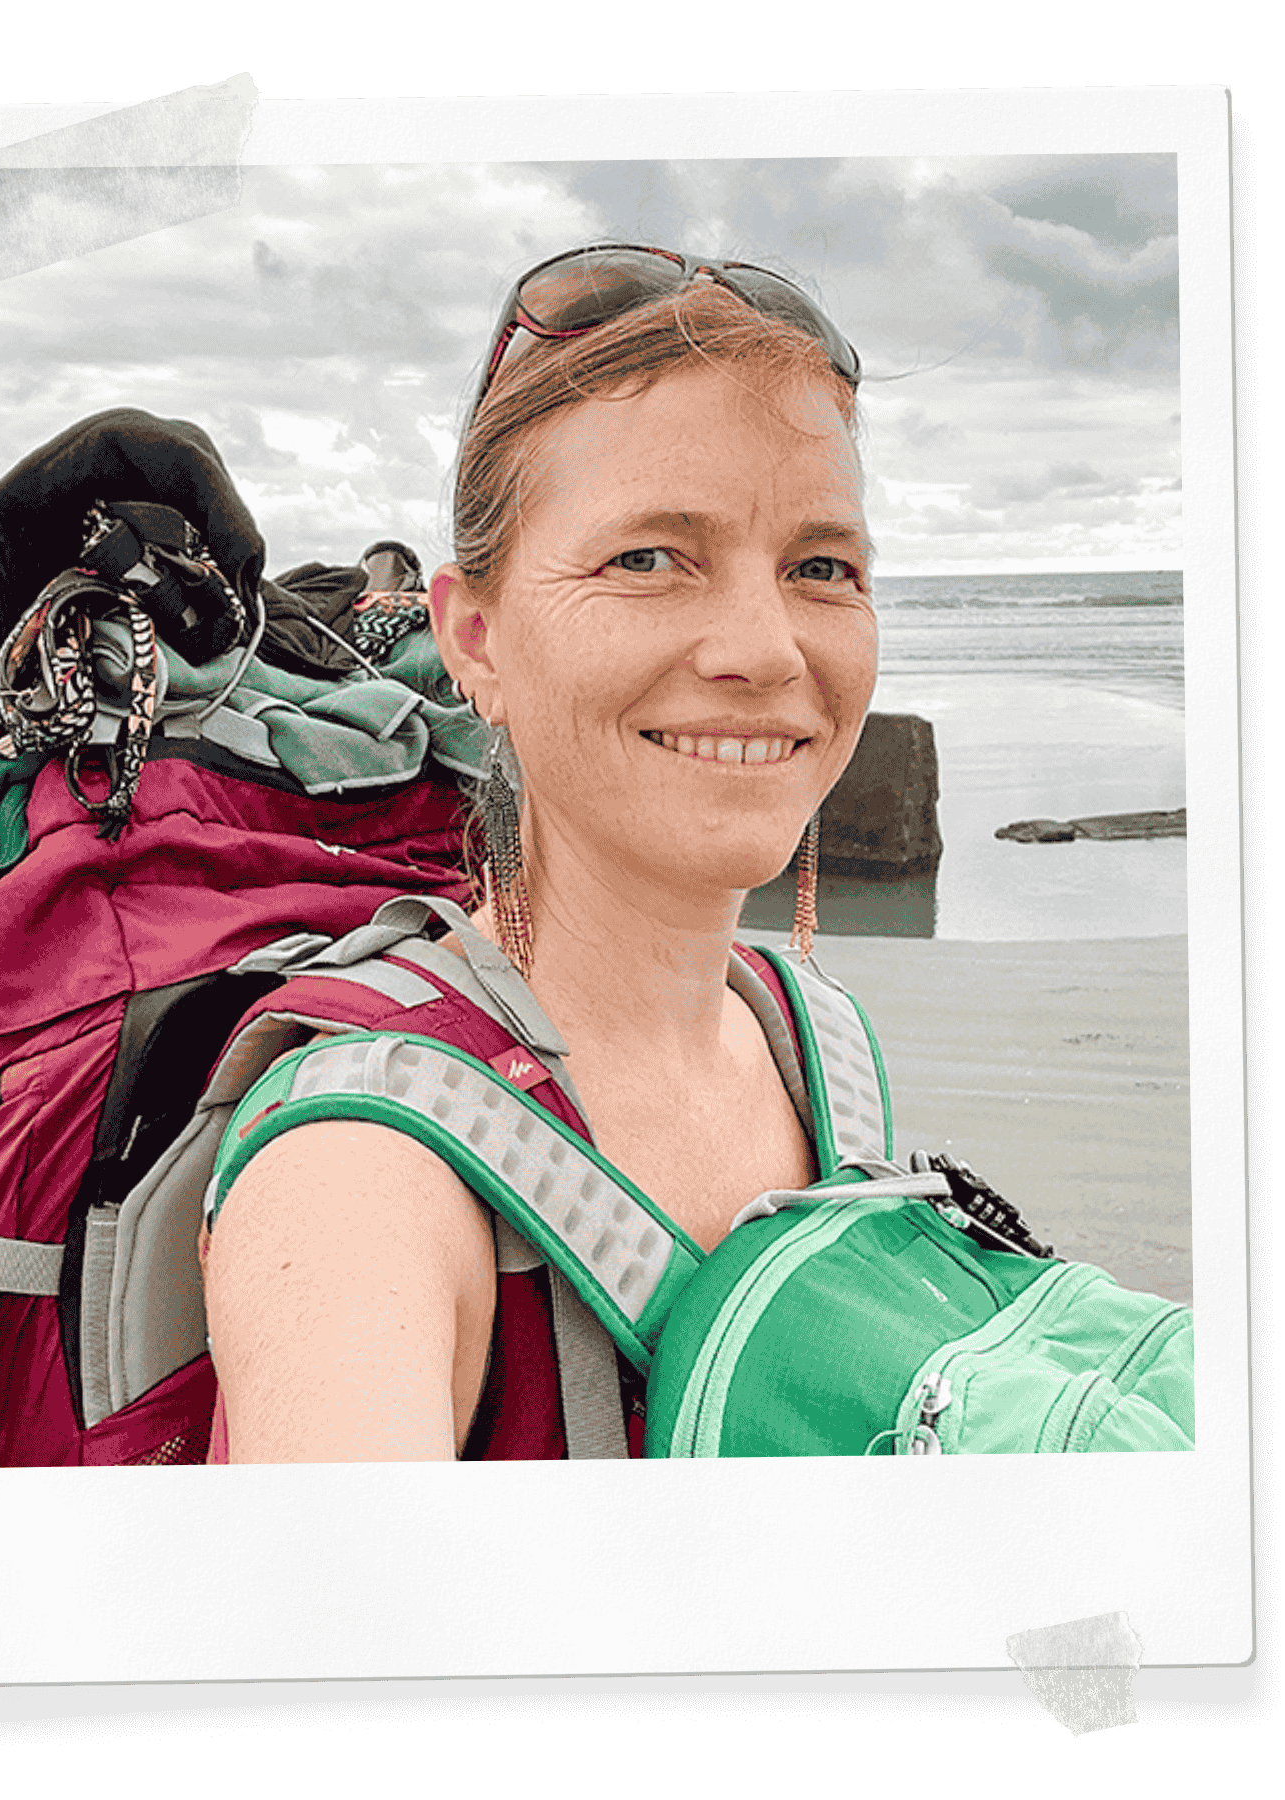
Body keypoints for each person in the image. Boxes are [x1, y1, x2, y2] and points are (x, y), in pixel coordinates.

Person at [202, 244, 876, 1461]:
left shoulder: (820, 1042)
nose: (768, 648)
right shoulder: (359, 1176)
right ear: (476, 640)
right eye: (649, 558)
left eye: (820, 566)